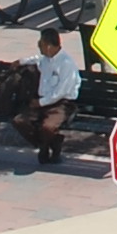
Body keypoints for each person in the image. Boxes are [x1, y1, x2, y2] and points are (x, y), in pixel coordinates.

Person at [17, 26, 81, 164]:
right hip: (43, 101)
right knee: (20, 121)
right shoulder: (45, 59)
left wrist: (41, 103)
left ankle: (46, 146)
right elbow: (36, 59)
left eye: (40, 44)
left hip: (61, 103)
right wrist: (21, 61)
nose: (38, 47)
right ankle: (50, 143)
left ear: (48, 46)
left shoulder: (66, 64)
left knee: (48, 127)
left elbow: (61, 91)